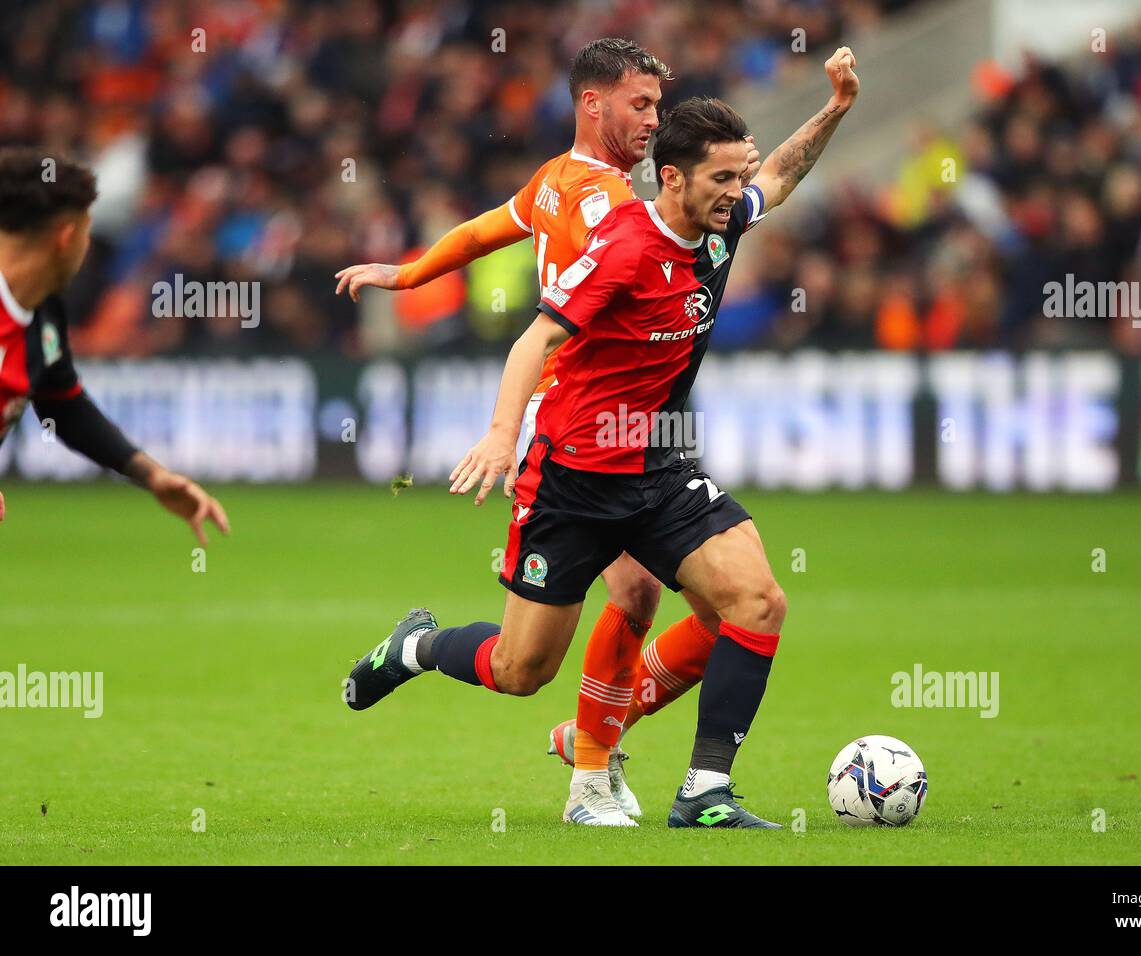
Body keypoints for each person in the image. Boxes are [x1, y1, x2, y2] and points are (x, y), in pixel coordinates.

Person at [345, 47, 860, 828]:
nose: (736, 195)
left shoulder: (721, 229)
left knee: (754, 603)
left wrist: (835, 108)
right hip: (574, 473)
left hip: (659, 466)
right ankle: (417, 651)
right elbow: (534, 342)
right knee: (522, 669)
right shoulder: (621, 241)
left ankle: (702, 791)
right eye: (720, 180)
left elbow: (780, 175)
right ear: (674, 179)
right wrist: (497, 434)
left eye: (736, 180)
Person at [0, 146, 229, 545]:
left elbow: (63, 401)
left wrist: (152, 474)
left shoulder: (41, 311)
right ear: (67, 236)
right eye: (88, 229)